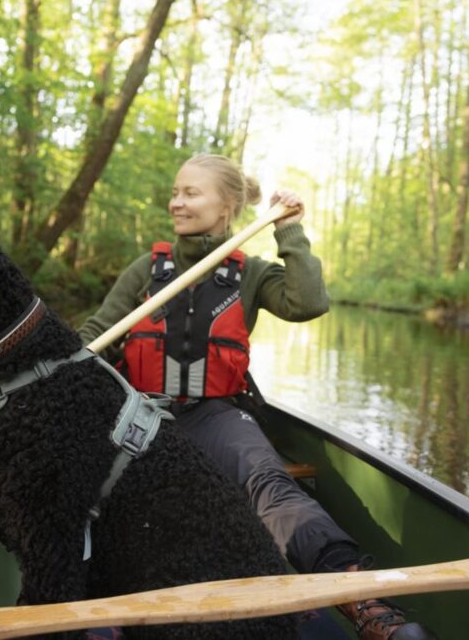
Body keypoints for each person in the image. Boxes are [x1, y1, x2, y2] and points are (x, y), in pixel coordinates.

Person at [78, 154, 436, 640]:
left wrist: (289, 231)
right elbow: (96, 334)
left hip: (214, 414)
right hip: (144, 416)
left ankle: (358, 596)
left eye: (190, 193)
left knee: (268, 479)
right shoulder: (146, 268)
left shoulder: (250, 274)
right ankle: (98, 614)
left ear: (226, 206)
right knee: (99, 491)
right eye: (176, 192)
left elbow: (309, 303)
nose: (176, 203)